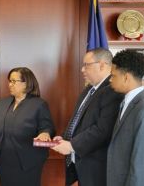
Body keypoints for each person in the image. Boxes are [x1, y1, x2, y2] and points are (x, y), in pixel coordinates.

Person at [51, 48, 123, 186]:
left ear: (102, 65)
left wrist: (72, 145)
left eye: (86, 65)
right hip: (77, 162)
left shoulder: (113, 90)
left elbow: (103, 130)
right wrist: (65, 138)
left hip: (95, 168)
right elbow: (79, 121)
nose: (82, 70)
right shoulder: (89, 89)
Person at [0, 67, 55, 186]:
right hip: (4, 161)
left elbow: (47, 127)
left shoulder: (39, 104)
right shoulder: (3, 103)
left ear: (27, 83)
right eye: (9, 81)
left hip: (28, 162)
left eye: (14, 81)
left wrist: (45, 133)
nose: (10, 84)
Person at [107, 49, 144, 186]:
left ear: (126, 77)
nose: (110, 80)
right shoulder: (127, 103)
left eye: (113, 76)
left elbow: (142, 165)